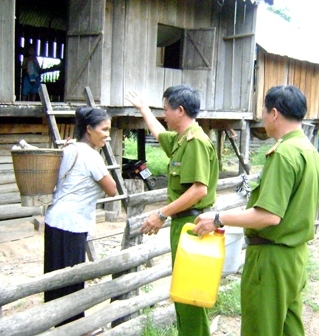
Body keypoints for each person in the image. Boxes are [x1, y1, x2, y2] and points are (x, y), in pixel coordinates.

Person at [193, 85, 319, 336]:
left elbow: (268, 215)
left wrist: (218, 218)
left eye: (263, 111)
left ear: (274, 113)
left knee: (260, 328)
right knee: (288, 328)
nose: (263, 117)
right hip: (295, 256)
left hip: (271, 258)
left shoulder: (284, 154)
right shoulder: (310, 151)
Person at [125, 85, 219, 336]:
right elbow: (157, 132)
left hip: (193, 226)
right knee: (183, 292)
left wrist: (161, 213)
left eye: (165, 109)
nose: (164, 115)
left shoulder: (196, 142)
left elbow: (199, 190)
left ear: (180, 110)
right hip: (185, 225)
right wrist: (144, 109)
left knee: (190, 294)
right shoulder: (180, 139)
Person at [43, 106, 117, 326]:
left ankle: (57, 325)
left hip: (54, 219)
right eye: (104, 129)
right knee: (71, 280)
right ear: (89, 129)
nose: (108, 135)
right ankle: (74, 327)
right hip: (71, 224)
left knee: (55, 278)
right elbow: (112, 189)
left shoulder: (69, 148)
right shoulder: (91, 156)